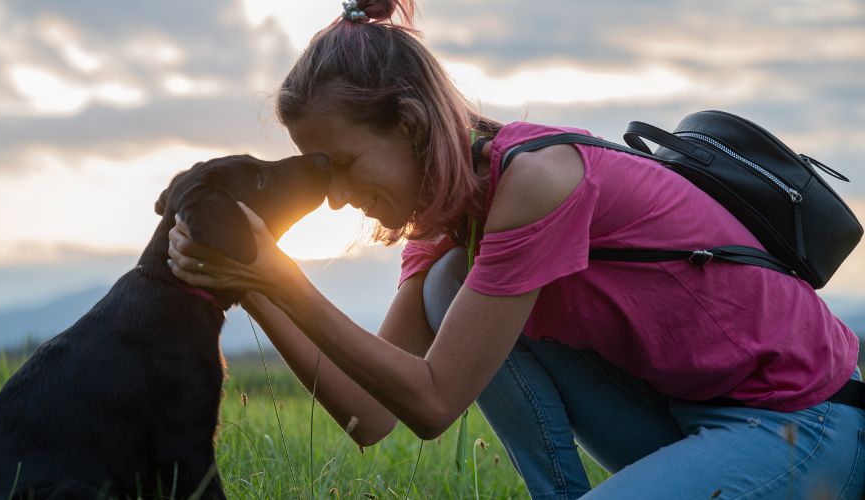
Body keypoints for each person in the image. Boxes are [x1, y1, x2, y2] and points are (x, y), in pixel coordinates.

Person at [166, 1, 865, 497]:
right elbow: (370, 416)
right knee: (448, 285)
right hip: (685, 414)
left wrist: (284, 282)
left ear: (409, 126)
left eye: (343, 163)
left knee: (450, 286)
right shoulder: (444, 220)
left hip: (798, 421)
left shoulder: (538, 180)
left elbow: (436, 404)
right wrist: (252, 281)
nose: (340, 197)